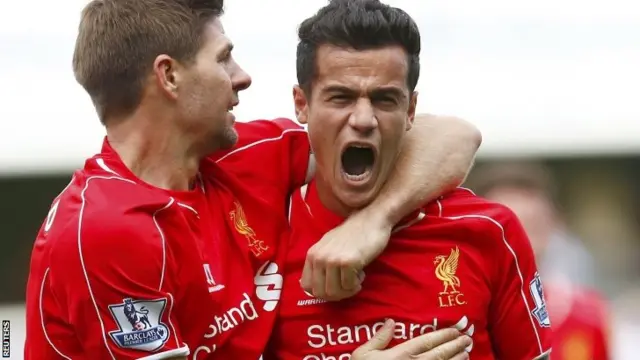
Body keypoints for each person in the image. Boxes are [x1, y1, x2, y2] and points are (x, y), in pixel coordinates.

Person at [23, 0, 481, 359]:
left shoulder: (244, 157)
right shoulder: (108, 229)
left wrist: (373, 221)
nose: (242, 78)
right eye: (223, 60)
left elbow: (454, 136)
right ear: (169, 76)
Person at [266, 1, 552, 359]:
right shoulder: (264, 236)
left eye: (385, 100)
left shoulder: (489, 230)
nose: (364, 119)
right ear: (301, 104)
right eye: (341, 97)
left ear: (411, 111)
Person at [473, 162, 611, 360]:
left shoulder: (588, 315)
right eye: (507, 227)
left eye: (534, 225)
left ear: (554, 226)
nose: (523, 241)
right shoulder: (454, 317)